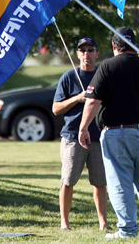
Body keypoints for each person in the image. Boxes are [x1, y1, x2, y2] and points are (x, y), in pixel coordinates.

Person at [79, 27, 139, 239]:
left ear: (114, 46)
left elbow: (93, 101)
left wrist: (83, 127)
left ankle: (127, 230)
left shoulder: (107, 66)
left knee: (120, 182)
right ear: (134, 44)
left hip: (116, 133)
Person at [53, 37, 109, 231]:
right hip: (72, 137)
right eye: (82, 50)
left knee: (100, 182)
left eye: (91, 50)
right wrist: (77, 98)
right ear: (77, 54)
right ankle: (64, 223)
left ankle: (103, 223)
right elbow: (56, 109)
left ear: (97, 53)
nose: (87, 54)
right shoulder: (69, 77)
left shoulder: (103, 75)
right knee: (68, 181)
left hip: (98, 137)